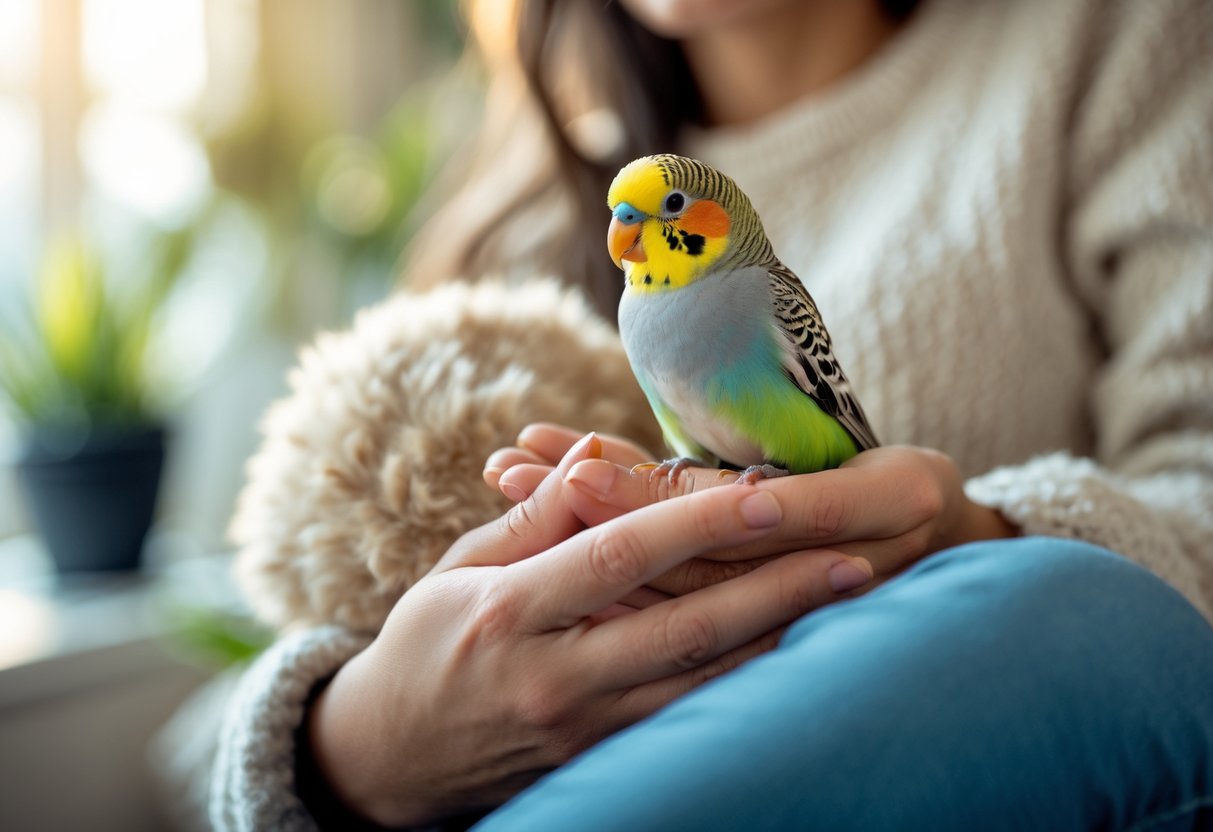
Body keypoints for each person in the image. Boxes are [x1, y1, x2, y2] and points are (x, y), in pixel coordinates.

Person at [211, 0, 1213, 829]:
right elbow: (201, 727)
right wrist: (359, 748)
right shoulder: (512, 224)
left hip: (1048, 680)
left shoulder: (1113, 41)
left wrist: (970, 542)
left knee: (1055, 600)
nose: (632, 234)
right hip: (598, 773)